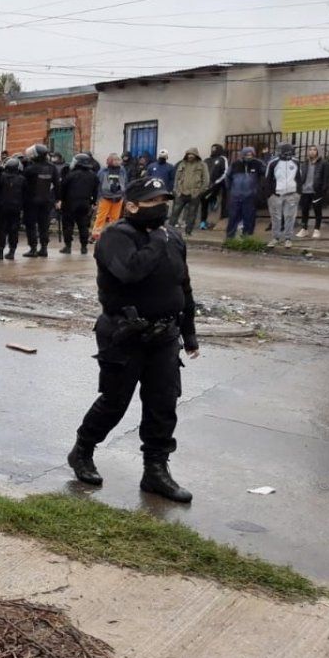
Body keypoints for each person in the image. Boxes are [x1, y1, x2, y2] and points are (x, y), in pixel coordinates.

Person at [68, 176, 200, 503]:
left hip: (165, 336)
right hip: (124, 334)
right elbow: (130, 272)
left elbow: (182, 285)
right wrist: (156, 240)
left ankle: (156, 471)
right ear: (132, 206)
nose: (161, 207)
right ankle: (82, 450)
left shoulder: (173, 238)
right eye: (154, 201)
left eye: (163, 201)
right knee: (115, 402)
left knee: (162, 405)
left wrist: (189, 331)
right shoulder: (115, 236)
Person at [21, 143, 59, 257]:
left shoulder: (30, 169)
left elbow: (23, 184)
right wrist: (58, 199)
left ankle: (33, 249)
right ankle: (44, 248)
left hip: (31, 201)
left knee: (31, 225)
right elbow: (57, 185)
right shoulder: (52, 168)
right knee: (44, 225)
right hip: (46, 200)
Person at [57, 153, 99, 254]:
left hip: (69, 203)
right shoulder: (93, 175)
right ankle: (84, 247)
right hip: (85, 203)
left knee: (68, 225)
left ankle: (68, 247)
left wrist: (60, 200)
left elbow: (62, 188)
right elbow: (95, 190)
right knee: (84, 225)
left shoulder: (70, 175)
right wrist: (93, 202)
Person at [265, 142, 301, 248]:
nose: (286, 154)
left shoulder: (296, 162)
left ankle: (288, 239)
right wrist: (269, 195)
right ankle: (275, 238)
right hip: (276, 195)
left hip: (292, 194)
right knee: (276, 217)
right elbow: (267, 179)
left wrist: (298, 193)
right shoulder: (273, 163)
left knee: (290, 217)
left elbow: (299, 177)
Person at [225, 147, 265, 239]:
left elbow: (267, 172)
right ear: (242, 155)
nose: (249, 156)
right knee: (233, 216)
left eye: (251, 155)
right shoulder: (235, 164)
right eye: (247, 155)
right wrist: (230, 189)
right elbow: (227, 177)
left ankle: (247, 236)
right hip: (235, 195)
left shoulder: (258, 163)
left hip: (250, 196)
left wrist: (258, 190)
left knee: (249, 216)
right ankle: (230, 237)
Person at [168, 148, 209, 236]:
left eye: (192, 154)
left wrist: (199, 192)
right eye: (188, 154)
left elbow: (206, 180)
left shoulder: (202, 165)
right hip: (181, 193)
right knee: (174, 213)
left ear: (196, 155)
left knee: (192, 214)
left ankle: (188, 232)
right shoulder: (182, 164)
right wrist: (176, 190)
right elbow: (176, 178)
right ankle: (169, 232)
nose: (190, 156)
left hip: (194, 194)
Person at [0, 158, 24, 260]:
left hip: (2, 208)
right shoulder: (22, 179)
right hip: (16, 209)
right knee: (14, 230)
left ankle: (0, 252)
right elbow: (26, 194)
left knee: (1, 230)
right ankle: (12, 252)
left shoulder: (1, 177)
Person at [92, 154, 127, 240]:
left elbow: (125, 182)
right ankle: (96, 235)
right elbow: (98, 184)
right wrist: (98, 197)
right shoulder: (103, 171)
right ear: (110, 160)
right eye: (115, 160)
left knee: (115, 218)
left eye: (118, 160)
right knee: (101, 217)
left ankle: (112, 234)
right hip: (105, 197)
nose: (117, 162)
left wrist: (123, 195)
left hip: (118, 197)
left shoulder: (122, 171)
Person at [297, 146, 327, 239]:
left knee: (317, 211)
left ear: (318, 152)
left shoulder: (323, 163)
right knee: (304, 211)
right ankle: (304, 229)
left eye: (314, 150)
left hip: (316, 191)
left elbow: (326, 178)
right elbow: (301, 176)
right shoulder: (304, 163)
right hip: (305, 191)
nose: (312, 151)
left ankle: (317, 230)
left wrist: (323, 190)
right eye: (310, 149)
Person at [200, 144, 228, 230]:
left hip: (217, 184)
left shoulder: (222, 159)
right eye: (212, 149)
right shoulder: (207, 160)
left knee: (212, 195)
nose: (213, 150)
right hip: (205, 186)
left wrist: (216, 181)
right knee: (203, 202)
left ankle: (214, 199)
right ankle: (203, 222)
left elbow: (225, 171)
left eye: (215, 149)